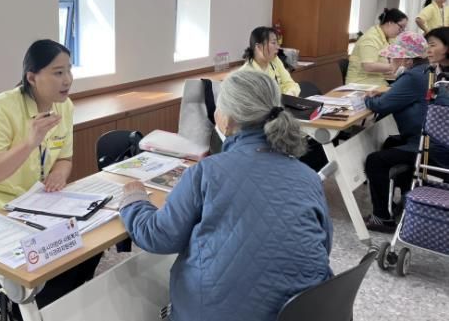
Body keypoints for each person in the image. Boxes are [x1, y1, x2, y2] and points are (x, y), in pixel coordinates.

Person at [119, 70, 332, 321]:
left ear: (226, 120)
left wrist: (135, 201)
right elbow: (323, 244)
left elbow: (158, 237)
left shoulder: (206, 172)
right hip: (305, 312)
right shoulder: (307, 176)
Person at [0, 39, 101, 320]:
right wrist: (29, 143)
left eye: (69, 70)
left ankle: (53, 309)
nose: (68, 80)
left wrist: (59, 174)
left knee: (87, 248)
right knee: (44, 265)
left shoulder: (64, 107)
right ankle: (21, 310)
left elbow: (64, 157)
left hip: (38, 207)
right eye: (58, 72)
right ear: (32, 77)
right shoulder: (0, 109)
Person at [361, 32, 431, 233]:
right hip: (426, 138)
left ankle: (382, 218)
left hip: (423, 145)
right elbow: (399, 94)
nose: (390, 60)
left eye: (393, 57)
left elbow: (381, 105)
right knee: (391, 143)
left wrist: (367, 98)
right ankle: (401, 199)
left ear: (407, 60)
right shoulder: (424, 70)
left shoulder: (411, 76)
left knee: (375, 160)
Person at [346, 8, 408, 87]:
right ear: (390, 22)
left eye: (404, 29)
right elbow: (368, 66)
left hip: (378, 81)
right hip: (361, 84)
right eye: (401, 27)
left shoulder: (388, 38)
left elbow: (393, 57)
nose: (402, 31)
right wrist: (392, 66)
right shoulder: (370, 38)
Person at [241, 26, 301, 96]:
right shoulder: (245, 74)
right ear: (258, 47)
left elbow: (290, 84)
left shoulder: (275, 61)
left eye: (277, 43)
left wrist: (291, 93)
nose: (278, 47)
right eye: (273, 43)